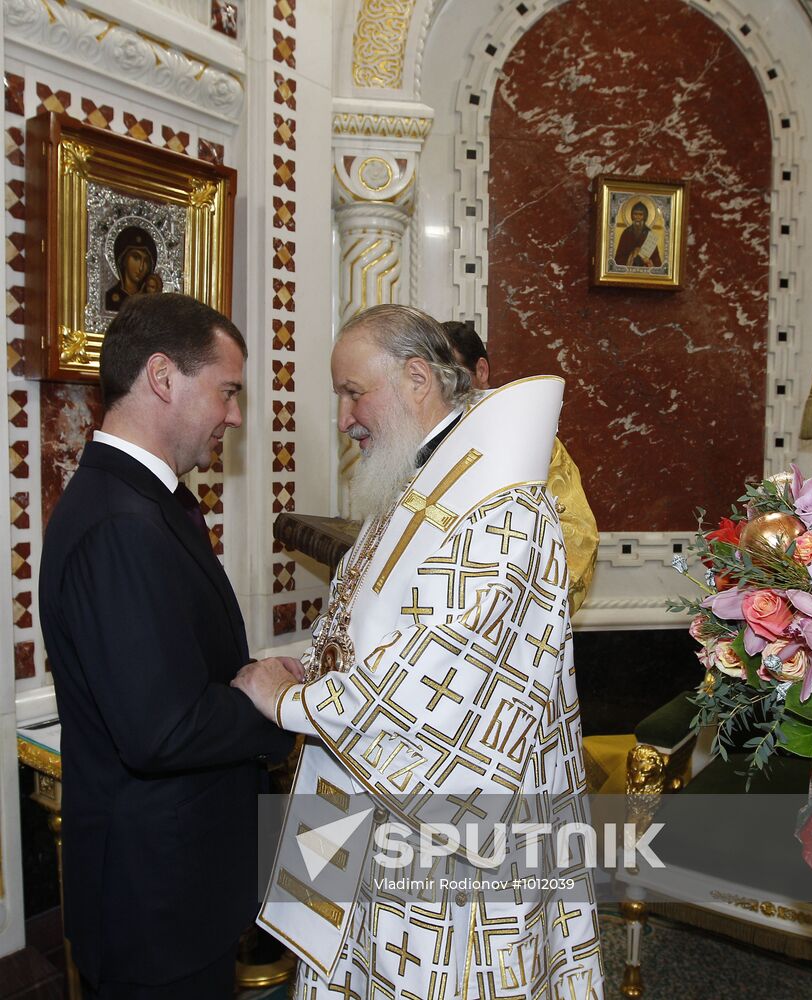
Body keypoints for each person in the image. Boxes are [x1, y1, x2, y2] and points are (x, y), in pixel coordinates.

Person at [233, 304, 603, 999]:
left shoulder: (502, 505)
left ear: (414, 378)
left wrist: (289, 700)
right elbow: (373, 631)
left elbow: (437, 680)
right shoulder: (413, 483)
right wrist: (316, 672)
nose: (343, 417)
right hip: (369, 818)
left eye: (352, 391)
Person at [38, 293, 296, 999]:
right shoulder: (122, 523)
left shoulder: (143, 502)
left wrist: (247, 675)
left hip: (179, 889)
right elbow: (160, 731)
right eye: (228, 392)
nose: (235, 416)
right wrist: (270, 705)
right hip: (157, 905)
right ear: (162, 377)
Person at [444, 320, 598, 615]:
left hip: (507, 613)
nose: (440, 393)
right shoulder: (417, 442)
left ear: (482, 371)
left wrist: (517, 608)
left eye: (451, 377)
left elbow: (577, 537)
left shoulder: (531, 442)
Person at [104, 225, 160, 311]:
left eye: (145, 261)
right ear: (123, 260)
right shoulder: (110, 298)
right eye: (136, 258)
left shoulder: (149, 302)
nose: (141, 267)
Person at [614, 201, 662, 268]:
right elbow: (618, 258)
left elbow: (656, 260)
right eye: (635, 214)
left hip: (645, 271)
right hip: (629, 271)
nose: (637, 217)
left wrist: (647, 261)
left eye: (640, 214)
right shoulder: (626, 233)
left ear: (645, 216)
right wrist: (632, 254)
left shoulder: (649, 234)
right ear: (632, 215)